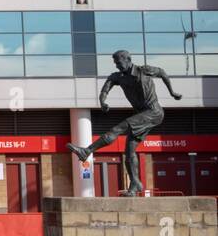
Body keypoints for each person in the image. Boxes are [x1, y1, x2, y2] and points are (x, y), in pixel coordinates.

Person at [68, 50, 182, 196]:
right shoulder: (118, 77)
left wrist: (172, 92)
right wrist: (103, 101)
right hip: (140, 115)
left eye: (119, 62)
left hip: (154, 112)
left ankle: (87, 150)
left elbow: (163, 73)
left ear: (128, 59)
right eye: (115, 63)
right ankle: (135, 184)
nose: (117, 66)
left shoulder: (144, 70)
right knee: (129, 151)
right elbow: (105, 89)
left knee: (118, 128)